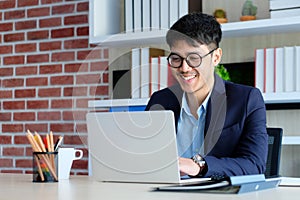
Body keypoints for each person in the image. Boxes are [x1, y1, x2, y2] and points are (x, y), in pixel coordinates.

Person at [145, 12, 268, 178]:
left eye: (194, 58)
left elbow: (254, 164)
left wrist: (198, 166)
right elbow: (144, 156)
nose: (184, 68)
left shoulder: (246, 99)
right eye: (176, 59)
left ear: (216, 57)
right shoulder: (160, 100)